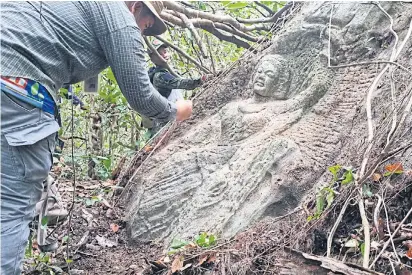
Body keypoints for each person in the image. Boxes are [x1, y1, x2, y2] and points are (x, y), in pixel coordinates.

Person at [0, 1, 192, 274]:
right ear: (136, 7)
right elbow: (141, 97)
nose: (145, 31)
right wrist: (176, 111)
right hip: (16, 91)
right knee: (10, 207)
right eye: (147, 23)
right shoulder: (121, 19)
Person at [142, 39, 210, 136]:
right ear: (152, 58)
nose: (164, 54)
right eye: (159, 53)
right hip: (165, 125)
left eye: (165, 51)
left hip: (172, 119)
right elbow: (180, 83)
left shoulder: (166, 72)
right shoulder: (160, 76)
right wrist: (200, 80)